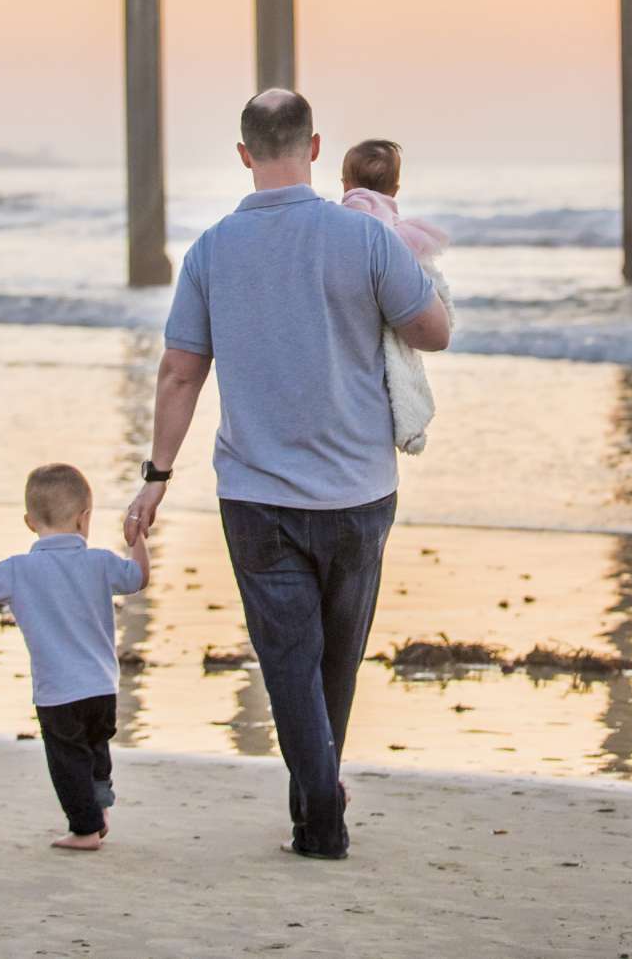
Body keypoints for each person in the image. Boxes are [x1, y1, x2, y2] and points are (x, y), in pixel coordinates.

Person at [127, 89, 450, 860]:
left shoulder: (210, 250)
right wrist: (415, 273)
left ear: (244, 155)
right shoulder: (365, 239)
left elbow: (180, 372)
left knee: (288, 663)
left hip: (256, 493)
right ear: (312, 147)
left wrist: (156, 474)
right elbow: (432, 332)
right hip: (360, 492)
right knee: (333, 661)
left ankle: (317, 810)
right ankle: (321, 811)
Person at [0, 463, 150, 852]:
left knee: (67, 760)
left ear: (30, 522)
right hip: (102, 687)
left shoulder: (19, 570)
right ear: (85, 519)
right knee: (96, 747)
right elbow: (138, 577)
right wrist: (138, 538)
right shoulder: (99, 562)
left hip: (58, 692)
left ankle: (85, 829)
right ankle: (99, 805)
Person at [337, 138, 453, 454]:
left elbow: (354, 235)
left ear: (345, 183)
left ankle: (410, 422)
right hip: (393, 268)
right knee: (399, 358)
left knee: (394, 354)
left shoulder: (354, 203)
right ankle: (409, 423)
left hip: (374, 276)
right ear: (396, 189)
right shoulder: (387, 214)